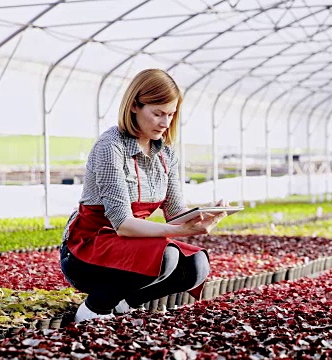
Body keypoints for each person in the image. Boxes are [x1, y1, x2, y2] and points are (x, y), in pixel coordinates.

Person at [60, 69, 228, 323]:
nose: (165, 122)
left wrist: (203, 214)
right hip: (86, 248)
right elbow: (124, 225)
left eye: (171, 114)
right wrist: (181, 232)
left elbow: (175, 214)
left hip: (126, 245)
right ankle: (94, 309)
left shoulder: (166, 154)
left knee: (195, 266)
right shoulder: (111, 147)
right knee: (166, 255)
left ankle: (125, 302)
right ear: (135, 106)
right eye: (158, 113)